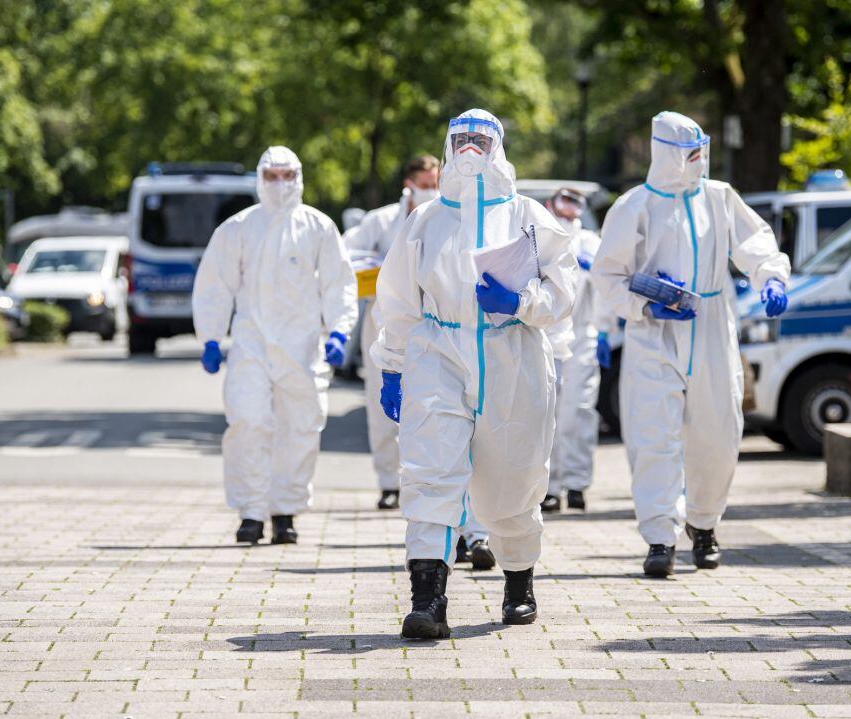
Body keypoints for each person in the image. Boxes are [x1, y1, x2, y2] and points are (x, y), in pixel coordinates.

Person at [371, 108, 577, 638]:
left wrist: (521, 299)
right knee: (429, 471)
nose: (469, 149)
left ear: (499, 147)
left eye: (480, 140)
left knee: (513, 481)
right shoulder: (426, 218)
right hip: (437, 352)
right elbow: (396, 297)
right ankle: (427, 602)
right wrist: (393, 364)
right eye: (460, 138)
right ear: (446, 145)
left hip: (513, 359)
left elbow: (564, 292)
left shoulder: (529, 214)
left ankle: (518, 581)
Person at [591, 112, 789, 578]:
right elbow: (607, 275)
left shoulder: (719, 198)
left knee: (718, 433)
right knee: (652, 436)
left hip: (713, 325)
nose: (699, 160)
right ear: (667, 154)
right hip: (653, 333)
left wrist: (770, 277)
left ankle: (703, 524)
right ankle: (660, 537)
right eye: (690, 152)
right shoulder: (633, 206)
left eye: (702, 150)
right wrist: (643, 307)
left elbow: (755, 242)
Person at [193, 146, 359, 546]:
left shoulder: (318, 226)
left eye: (287, 175)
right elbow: (215, 283)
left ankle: (285, 510)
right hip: (251, 342)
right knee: (248, 421)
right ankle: (251, 511)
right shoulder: (238, 228)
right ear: (259, 178)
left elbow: (339, 283)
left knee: (300, 427)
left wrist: (338, 331)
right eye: (272, 175)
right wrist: (211, 336)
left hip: (302, 344)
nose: (280, 183)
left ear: (299, 177)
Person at [346, 155, 440, 511]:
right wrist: (375, 268)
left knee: (431, 403)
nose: (431, 189)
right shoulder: (382, 220)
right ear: (409, 183)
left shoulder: (446, 217)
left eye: (436, 182)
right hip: (383, 319)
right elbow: (346, 252)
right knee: (382, 400)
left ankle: (424, 480)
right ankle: (389, 482)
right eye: (426, 182)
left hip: (431, 320)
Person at [540, 188, 605, 514]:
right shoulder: (538, 235)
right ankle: (549, 488)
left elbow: (607, 283)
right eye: (563, 200)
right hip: (546, 336)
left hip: (581, 336)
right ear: (550, 204)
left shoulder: (590, 241)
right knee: (546, 413)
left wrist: (604, 329)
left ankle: (577, 483)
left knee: (577, 412)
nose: (568, 208)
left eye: (575, 203)